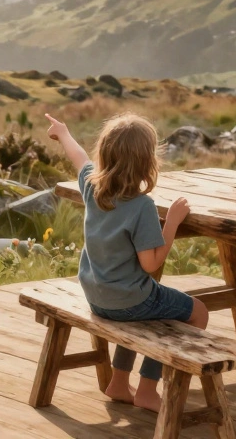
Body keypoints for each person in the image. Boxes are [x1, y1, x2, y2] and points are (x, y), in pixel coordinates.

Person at [45, 111, 207, 413]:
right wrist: (170, 223)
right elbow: (151, 264)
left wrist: (63, 133)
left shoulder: (93, 186)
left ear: (105, 154)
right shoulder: (142, 206)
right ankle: (148, 387)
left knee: (142, 306)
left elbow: (78, 158)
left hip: (97, 296)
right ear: (146, 162)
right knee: (196, 313)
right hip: (127, 300)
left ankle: (119, 383)